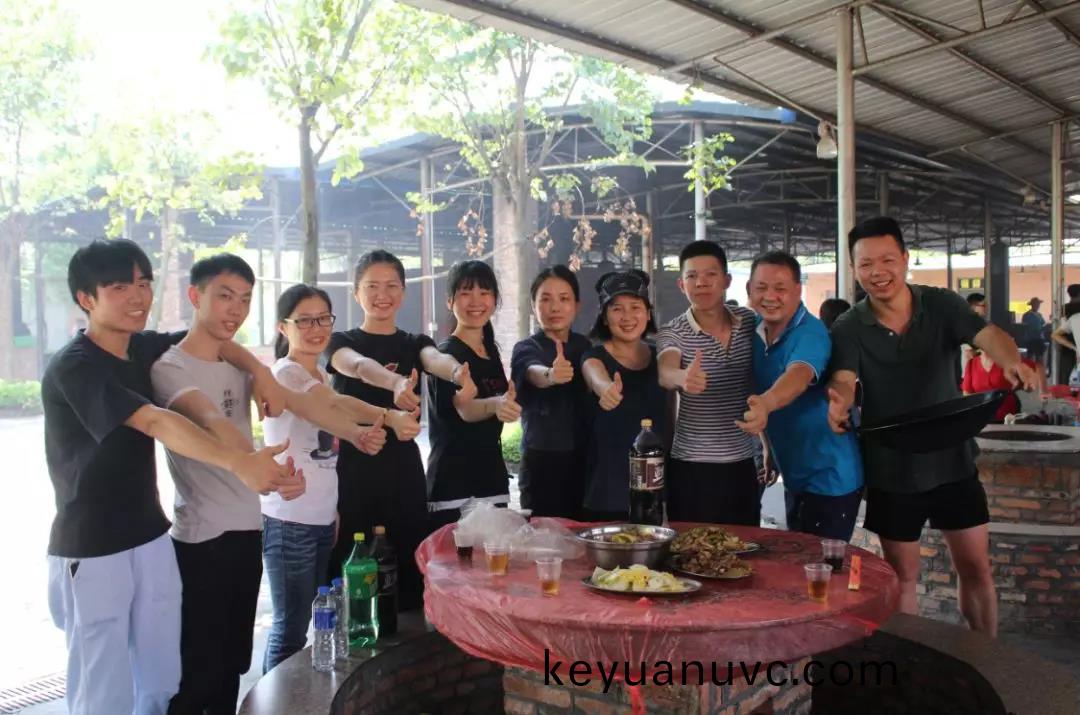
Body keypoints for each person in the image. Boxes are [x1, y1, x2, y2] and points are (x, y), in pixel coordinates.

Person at [42, 240, 294, 715]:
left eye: (143, 283)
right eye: (119, 287)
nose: (138, 297)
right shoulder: (75, 366)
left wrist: (261, 372)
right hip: (92, 546)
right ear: (86, 299)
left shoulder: (141, 345)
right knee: (103, 687)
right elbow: (156, 420)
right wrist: (239, 461)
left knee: (162, 679)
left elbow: (214, 338)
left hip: (151, 537)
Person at [151, 255, 388, 712]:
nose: (236, 309)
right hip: (203, 535)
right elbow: (210, 419)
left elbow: (304, 403)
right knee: (201, 666)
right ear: (195, 296)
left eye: (244, 300)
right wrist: (263, 467)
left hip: (249, 526)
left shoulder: (243, 365)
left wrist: (259, 373)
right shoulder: (170, 365)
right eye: (225, 296)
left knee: (233, 661)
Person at [827, 216, 1037, 638]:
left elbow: (988, 336)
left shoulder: (940, 304)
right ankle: (912, 663)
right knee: (903, 575)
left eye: (887, 260)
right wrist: (840, 401)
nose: (877, 272)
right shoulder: (849, 325)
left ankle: (985, 655)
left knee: (975, 566)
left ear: (905, 259)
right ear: (853, 268)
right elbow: (844, 379)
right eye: (866, 263)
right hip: (892, 467)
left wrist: (1012, 361)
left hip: (953, 461)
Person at [262, 284, 420, 671]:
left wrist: (332, 510)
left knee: (311, 621)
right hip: (290, 521)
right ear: (283, 327)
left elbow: (337, 407)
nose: (316, 329)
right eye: (304, 321)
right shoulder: (286, 372)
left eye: (323, 319)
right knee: (290, 629)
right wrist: (385, 418)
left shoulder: (317, 372)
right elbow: (331, 405)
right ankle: (278, 700)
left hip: (319, 519)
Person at [326, 250, 476, 609]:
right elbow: (358, 366)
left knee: (406, 560)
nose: (383, 294)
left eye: (392, 285)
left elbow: (434, 359)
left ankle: (407, 628)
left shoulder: (414, 343)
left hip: (402, 470)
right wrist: (394, 382)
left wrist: (457, 372)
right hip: (353, 469)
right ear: (356, 292)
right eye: (372, 286)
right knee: (352, 559)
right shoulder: (341, 342)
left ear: (403, 292)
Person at [739, 251, 864, 541]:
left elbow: (798, 375)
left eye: (780, 288)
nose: (770, 296)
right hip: (795, 473)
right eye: (761, 287)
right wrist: (767, 446)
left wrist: (767, 403)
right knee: (799, 560)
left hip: (830, 478)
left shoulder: (810, 333)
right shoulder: (755, 329)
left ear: (798, 290)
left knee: (824, 565)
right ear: (749, 290)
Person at [657, 241, 758, 526]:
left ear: (727, 280)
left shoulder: (749, 322)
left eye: (710, 274)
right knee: (691, 546)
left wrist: (767, 446)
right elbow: (665, 370)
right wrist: (682, 377)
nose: (701, 283)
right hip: (691, 466)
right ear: (681, 285)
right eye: (692, 276)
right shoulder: (673, 331)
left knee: (746, 544)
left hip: (742, 463)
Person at [426, 260, 519, 530]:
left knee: (494, 555)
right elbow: (465, 409)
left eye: (484, 292)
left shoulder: (490, 351)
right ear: (450, 301)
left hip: (492, 480)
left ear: (495, 300)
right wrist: (496, 404)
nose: (476, 301)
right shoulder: (446, 356)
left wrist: (507, 404)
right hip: (454, 486)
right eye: (466, 292)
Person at [580, 270, 668, 521]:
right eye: (617, 309)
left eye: (635, 307)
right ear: (604, 317)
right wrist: (606, 389)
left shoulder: (662, 356)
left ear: (648, 313)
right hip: (607, 492)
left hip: (656, 489)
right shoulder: (594, 356)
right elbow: (594, 375)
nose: (627, 316)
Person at [510, 266, 590, 517]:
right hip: (541, 463)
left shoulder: (585, 346)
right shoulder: (526, 347)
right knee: (544, 534)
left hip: (585, 459)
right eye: (545, 299)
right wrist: (551, 375)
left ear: (576, 305)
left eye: (564, 299)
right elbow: (532, 371)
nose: (555, 307)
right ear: (533, 306)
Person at [961, 349, 1041, 422]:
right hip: (980, 418)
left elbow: (1032, 371)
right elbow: (967, 395)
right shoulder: (971, 363)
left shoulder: (1007, 360)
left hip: (1007, 417)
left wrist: (1028, 383)